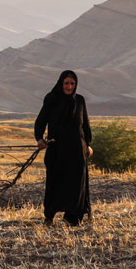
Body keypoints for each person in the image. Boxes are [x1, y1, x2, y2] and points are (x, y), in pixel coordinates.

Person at [34, 69, 92, 226]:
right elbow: (41, 121)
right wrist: (39, 138)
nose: (69, 86)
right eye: (66, 83)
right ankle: (49, 216)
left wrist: (88, 144)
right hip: (57, 149)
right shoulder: (52, 99)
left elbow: (84, 124)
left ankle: (72, 217)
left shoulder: (80, 100)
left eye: (72, 83)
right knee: (55, 181)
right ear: (61, 83)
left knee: (76, 183)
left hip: (77, 149)